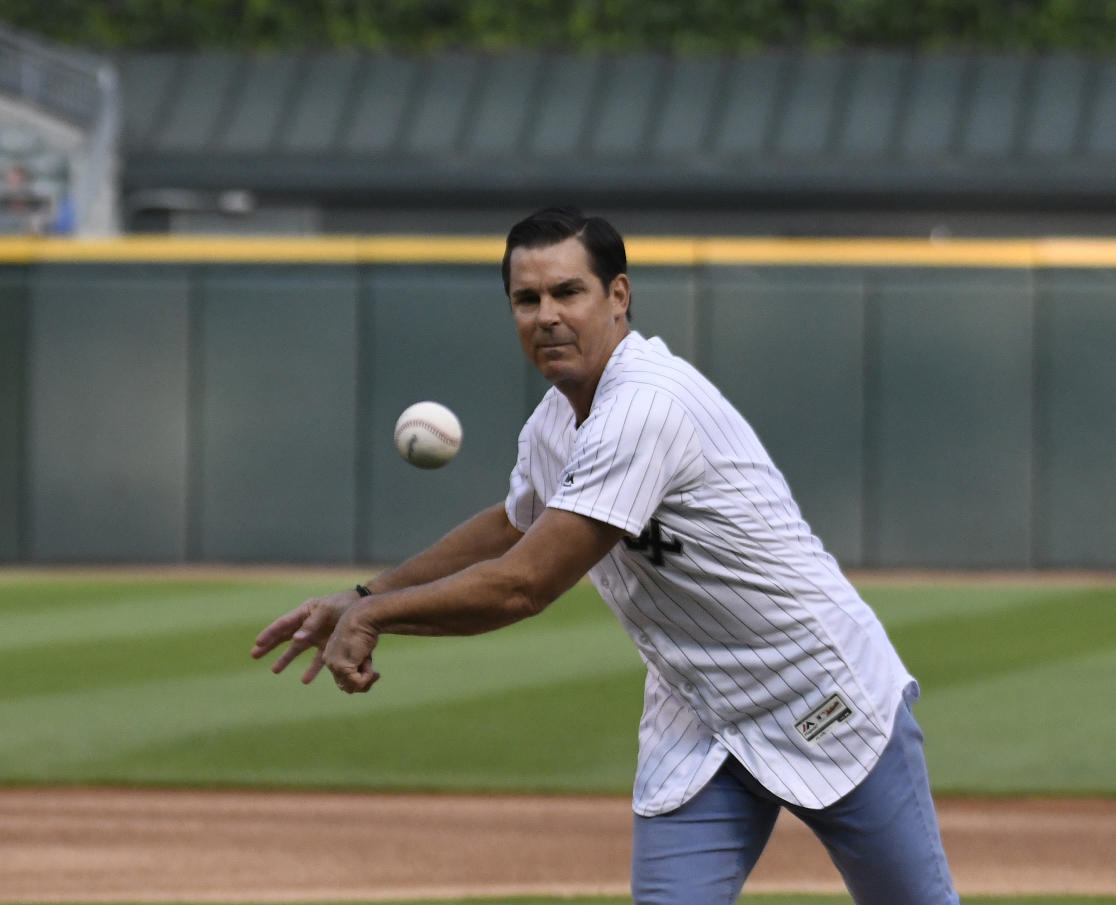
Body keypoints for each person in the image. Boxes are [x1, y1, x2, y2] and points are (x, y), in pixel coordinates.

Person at [251, 206, 960, 905]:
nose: (547, 315)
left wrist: (378, 615)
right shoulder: (558, 418)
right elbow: (512, 525)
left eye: (568, 292)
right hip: (700, 711)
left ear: (617, 296)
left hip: (818, 690)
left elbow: (523, 584)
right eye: (526, 299)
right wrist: (364, 591)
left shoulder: (644, 406)